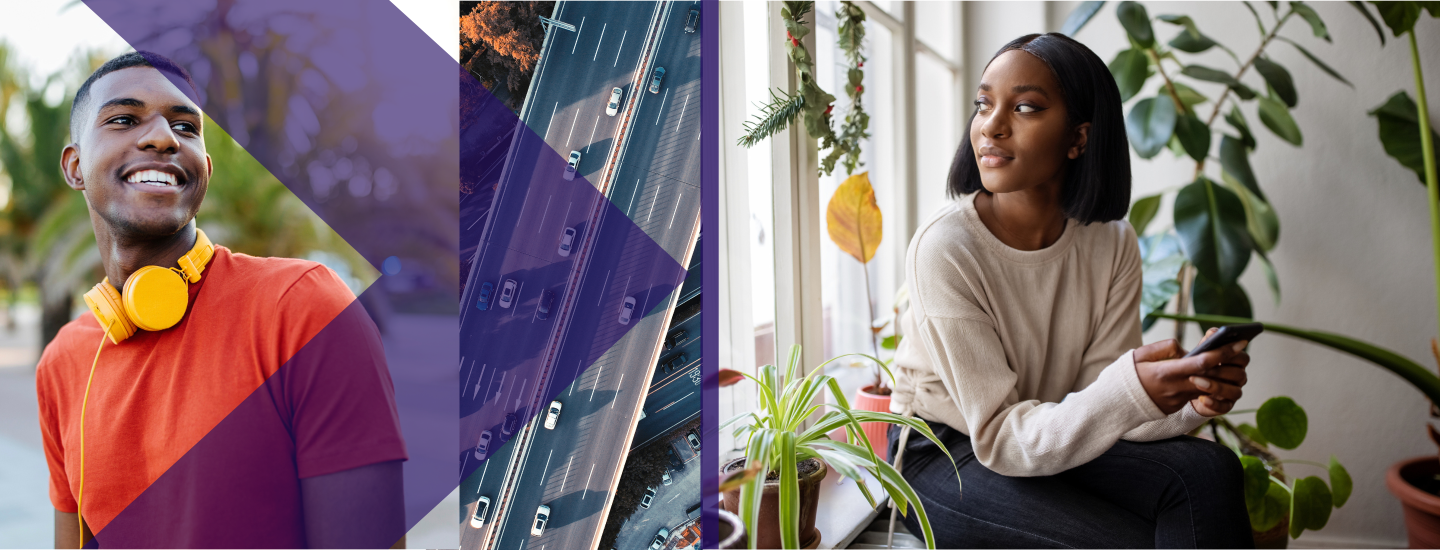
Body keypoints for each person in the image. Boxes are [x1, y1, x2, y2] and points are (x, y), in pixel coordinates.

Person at [886, 33, 1255, 548]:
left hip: (1048, 430)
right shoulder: (945, 247)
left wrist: (1191, 398)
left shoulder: (1112, 243)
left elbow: (1100, 406)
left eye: (1025, 107)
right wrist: (1127, 391)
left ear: (1078, 138)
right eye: (984, 103)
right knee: (1125, 540)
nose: (991, 125)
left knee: (1211, 471)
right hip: (946, 453)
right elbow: (999, 436)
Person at [35, 51, 407, 548]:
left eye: (186, 127)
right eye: (124, 119)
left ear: (204, 170)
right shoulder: (62, 362)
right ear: (75, 165)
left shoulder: (305, 310)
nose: (164, 137)